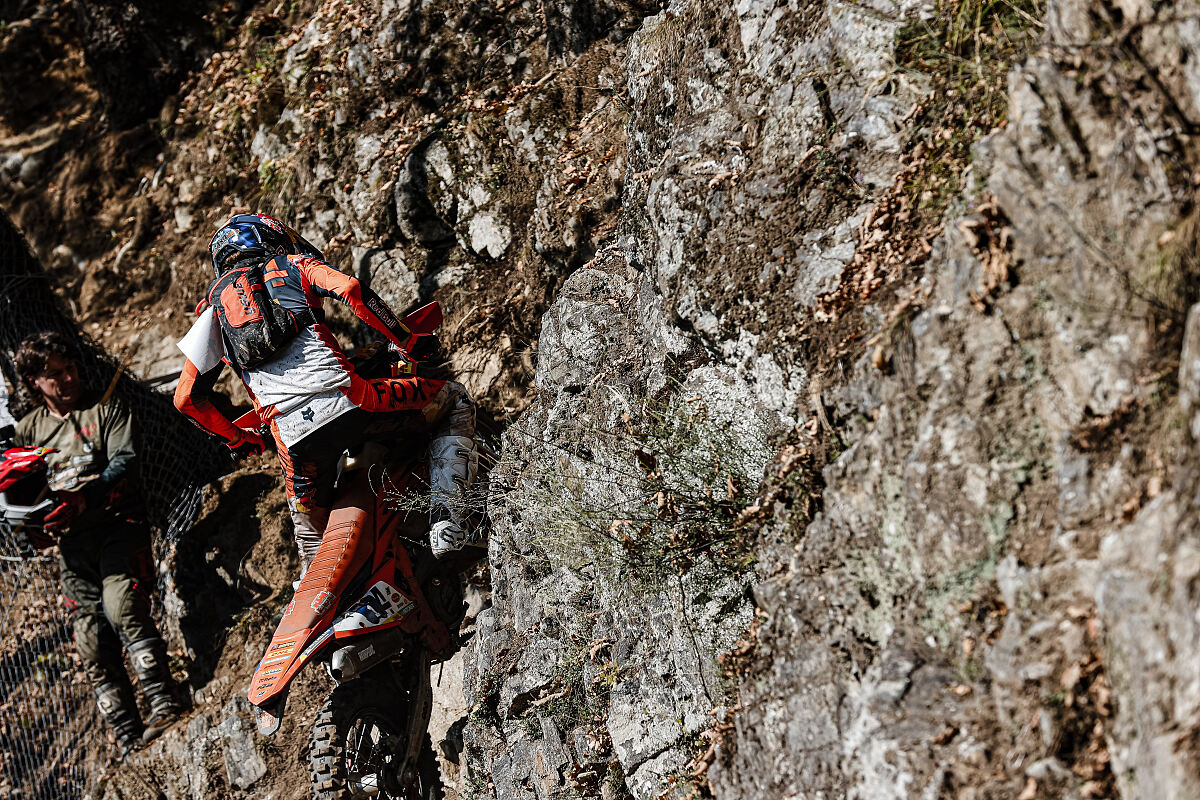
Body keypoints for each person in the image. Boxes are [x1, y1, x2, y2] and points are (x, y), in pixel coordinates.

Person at [172, 213, 480, 573]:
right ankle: (449, 522)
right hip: (355, 401)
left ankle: (312, 597)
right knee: (454, 399)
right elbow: (350, 289)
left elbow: (185, 399)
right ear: (268, 238)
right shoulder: (291, 264)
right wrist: (407, 340)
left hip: (293, 439)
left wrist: (239, 439)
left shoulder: (211, 314)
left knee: (307, 525)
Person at [10, 331, 182, 757]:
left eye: (69, 369)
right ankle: (126, 736)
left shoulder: (105, 405)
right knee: (89, 638)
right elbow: (18, 490)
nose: (68, 379)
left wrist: (86, 495)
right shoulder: (29, 430)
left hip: (118, 525)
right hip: (71, 549)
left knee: (121, 604)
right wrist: (29, 525)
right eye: (55, 374)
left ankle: (164, 702)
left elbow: (126, 459)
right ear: (35, 382)